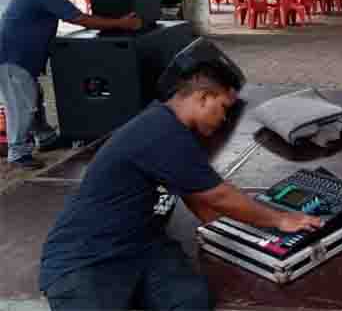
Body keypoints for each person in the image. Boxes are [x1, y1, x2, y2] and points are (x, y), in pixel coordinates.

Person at [39, 59, 324, 310]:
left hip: (143, 245)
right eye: (223, 107)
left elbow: (204, 207)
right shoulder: (161, 133)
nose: (224, 118)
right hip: (86, 257)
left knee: (192, 301)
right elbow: (220, 197)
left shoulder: (174, 130)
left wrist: (262, 243)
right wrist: (280, 219)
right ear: (203, 97)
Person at [0, 0, 142, 169]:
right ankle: (18, 153)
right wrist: (121, 23)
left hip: (23, 58)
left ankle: (45, 137)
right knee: (22, 105)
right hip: (14, 57)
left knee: (34, 97)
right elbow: (77, 18)